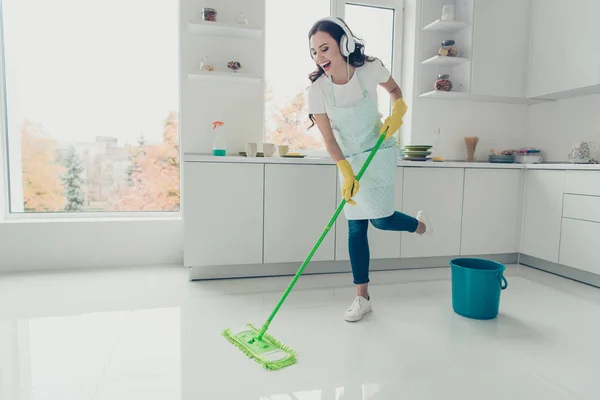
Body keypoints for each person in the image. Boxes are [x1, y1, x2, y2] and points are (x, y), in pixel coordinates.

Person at [307, 17, 433, 322]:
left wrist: (398, 111)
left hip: (379, 153)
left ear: (344, 43)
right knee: (355, 228)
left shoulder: (369, 68)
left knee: (381, 220)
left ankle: (417, 225)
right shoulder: (317, 90)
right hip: (348, 159)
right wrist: (346, 171)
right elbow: (328, 139)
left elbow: (395, 92)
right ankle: (362, 298)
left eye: (324, 48)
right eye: (314, 52)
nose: (319, 57)